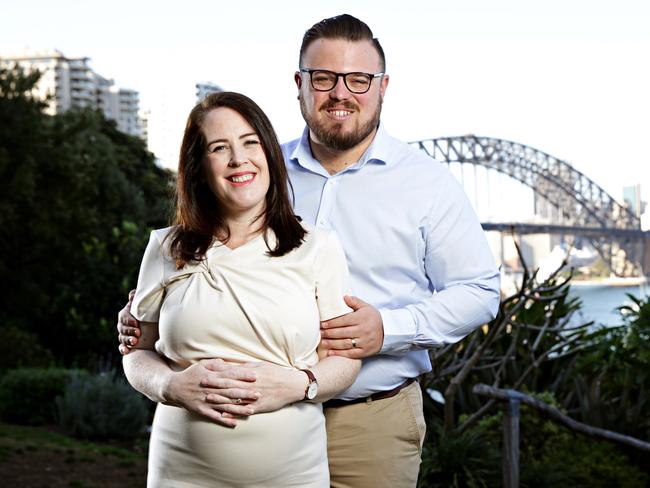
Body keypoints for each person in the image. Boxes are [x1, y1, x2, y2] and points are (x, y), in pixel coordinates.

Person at [118, 14, 500, 488]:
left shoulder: (427, 183)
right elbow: (192, 261)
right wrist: (151, 314)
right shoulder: (257, 169)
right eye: (323, 78)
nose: (341, 93)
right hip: (240, 428)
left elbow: (481, 291)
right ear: (299, 85)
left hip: (368, 419)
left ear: (383, 87)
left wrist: (389, 328)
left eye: (359, 79)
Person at [122, 91, 361, 487]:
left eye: (250, 142)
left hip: (293, 474)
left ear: (269, 153)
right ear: (198, 167)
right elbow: (137, 352)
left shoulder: (319, 247)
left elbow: (345, 360)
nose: (238, 159)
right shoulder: (165, 248)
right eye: (220, 148)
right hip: (181, 473)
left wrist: (300, 384)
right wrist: (170, 385)